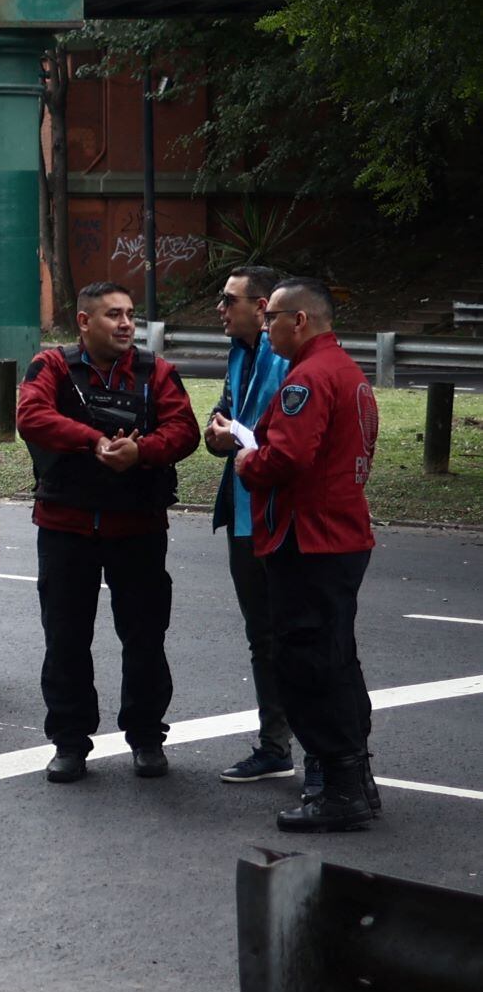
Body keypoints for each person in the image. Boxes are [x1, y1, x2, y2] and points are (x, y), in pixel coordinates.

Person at [16, 282, 200, 782]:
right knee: (66, 640)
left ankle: (146, 738)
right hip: (65, 526)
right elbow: (30, 416)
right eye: (113, 315)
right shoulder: (52, 366)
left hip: (137, 527)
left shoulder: (156, 372)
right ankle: (70, 743)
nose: (125, 324)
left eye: (130, 315)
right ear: (83, 322)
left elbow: (185, 430)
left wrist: (144, 452)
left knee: (144, 638)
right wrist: (94, 441)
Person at [232, 277, 381, 832]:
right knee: (337, 659)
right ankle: (355, 781)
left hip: (308, 538)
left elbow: (286, 457)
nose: (264, 326)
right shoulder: (344, 369)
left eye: (270, 316)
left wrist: (248, 463)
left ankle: (340, 788)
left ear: (299, 321)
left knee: (309, 664)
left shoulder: (310, 377)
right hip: (339, 537)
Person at [202, 263, 297, 783]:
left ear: (262, 308)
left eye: (229, 300)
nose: (220, 309)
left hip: (284, 518)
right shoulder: (236, 355)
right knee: (262, 638)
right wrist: (217, 435)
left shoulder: (287, 358)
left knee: (298, 636)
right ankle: (274, 745)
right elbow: (223, 417)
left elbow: (290, 438)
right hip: (244, 517)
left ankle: (330, 755)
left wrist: (237, 435)